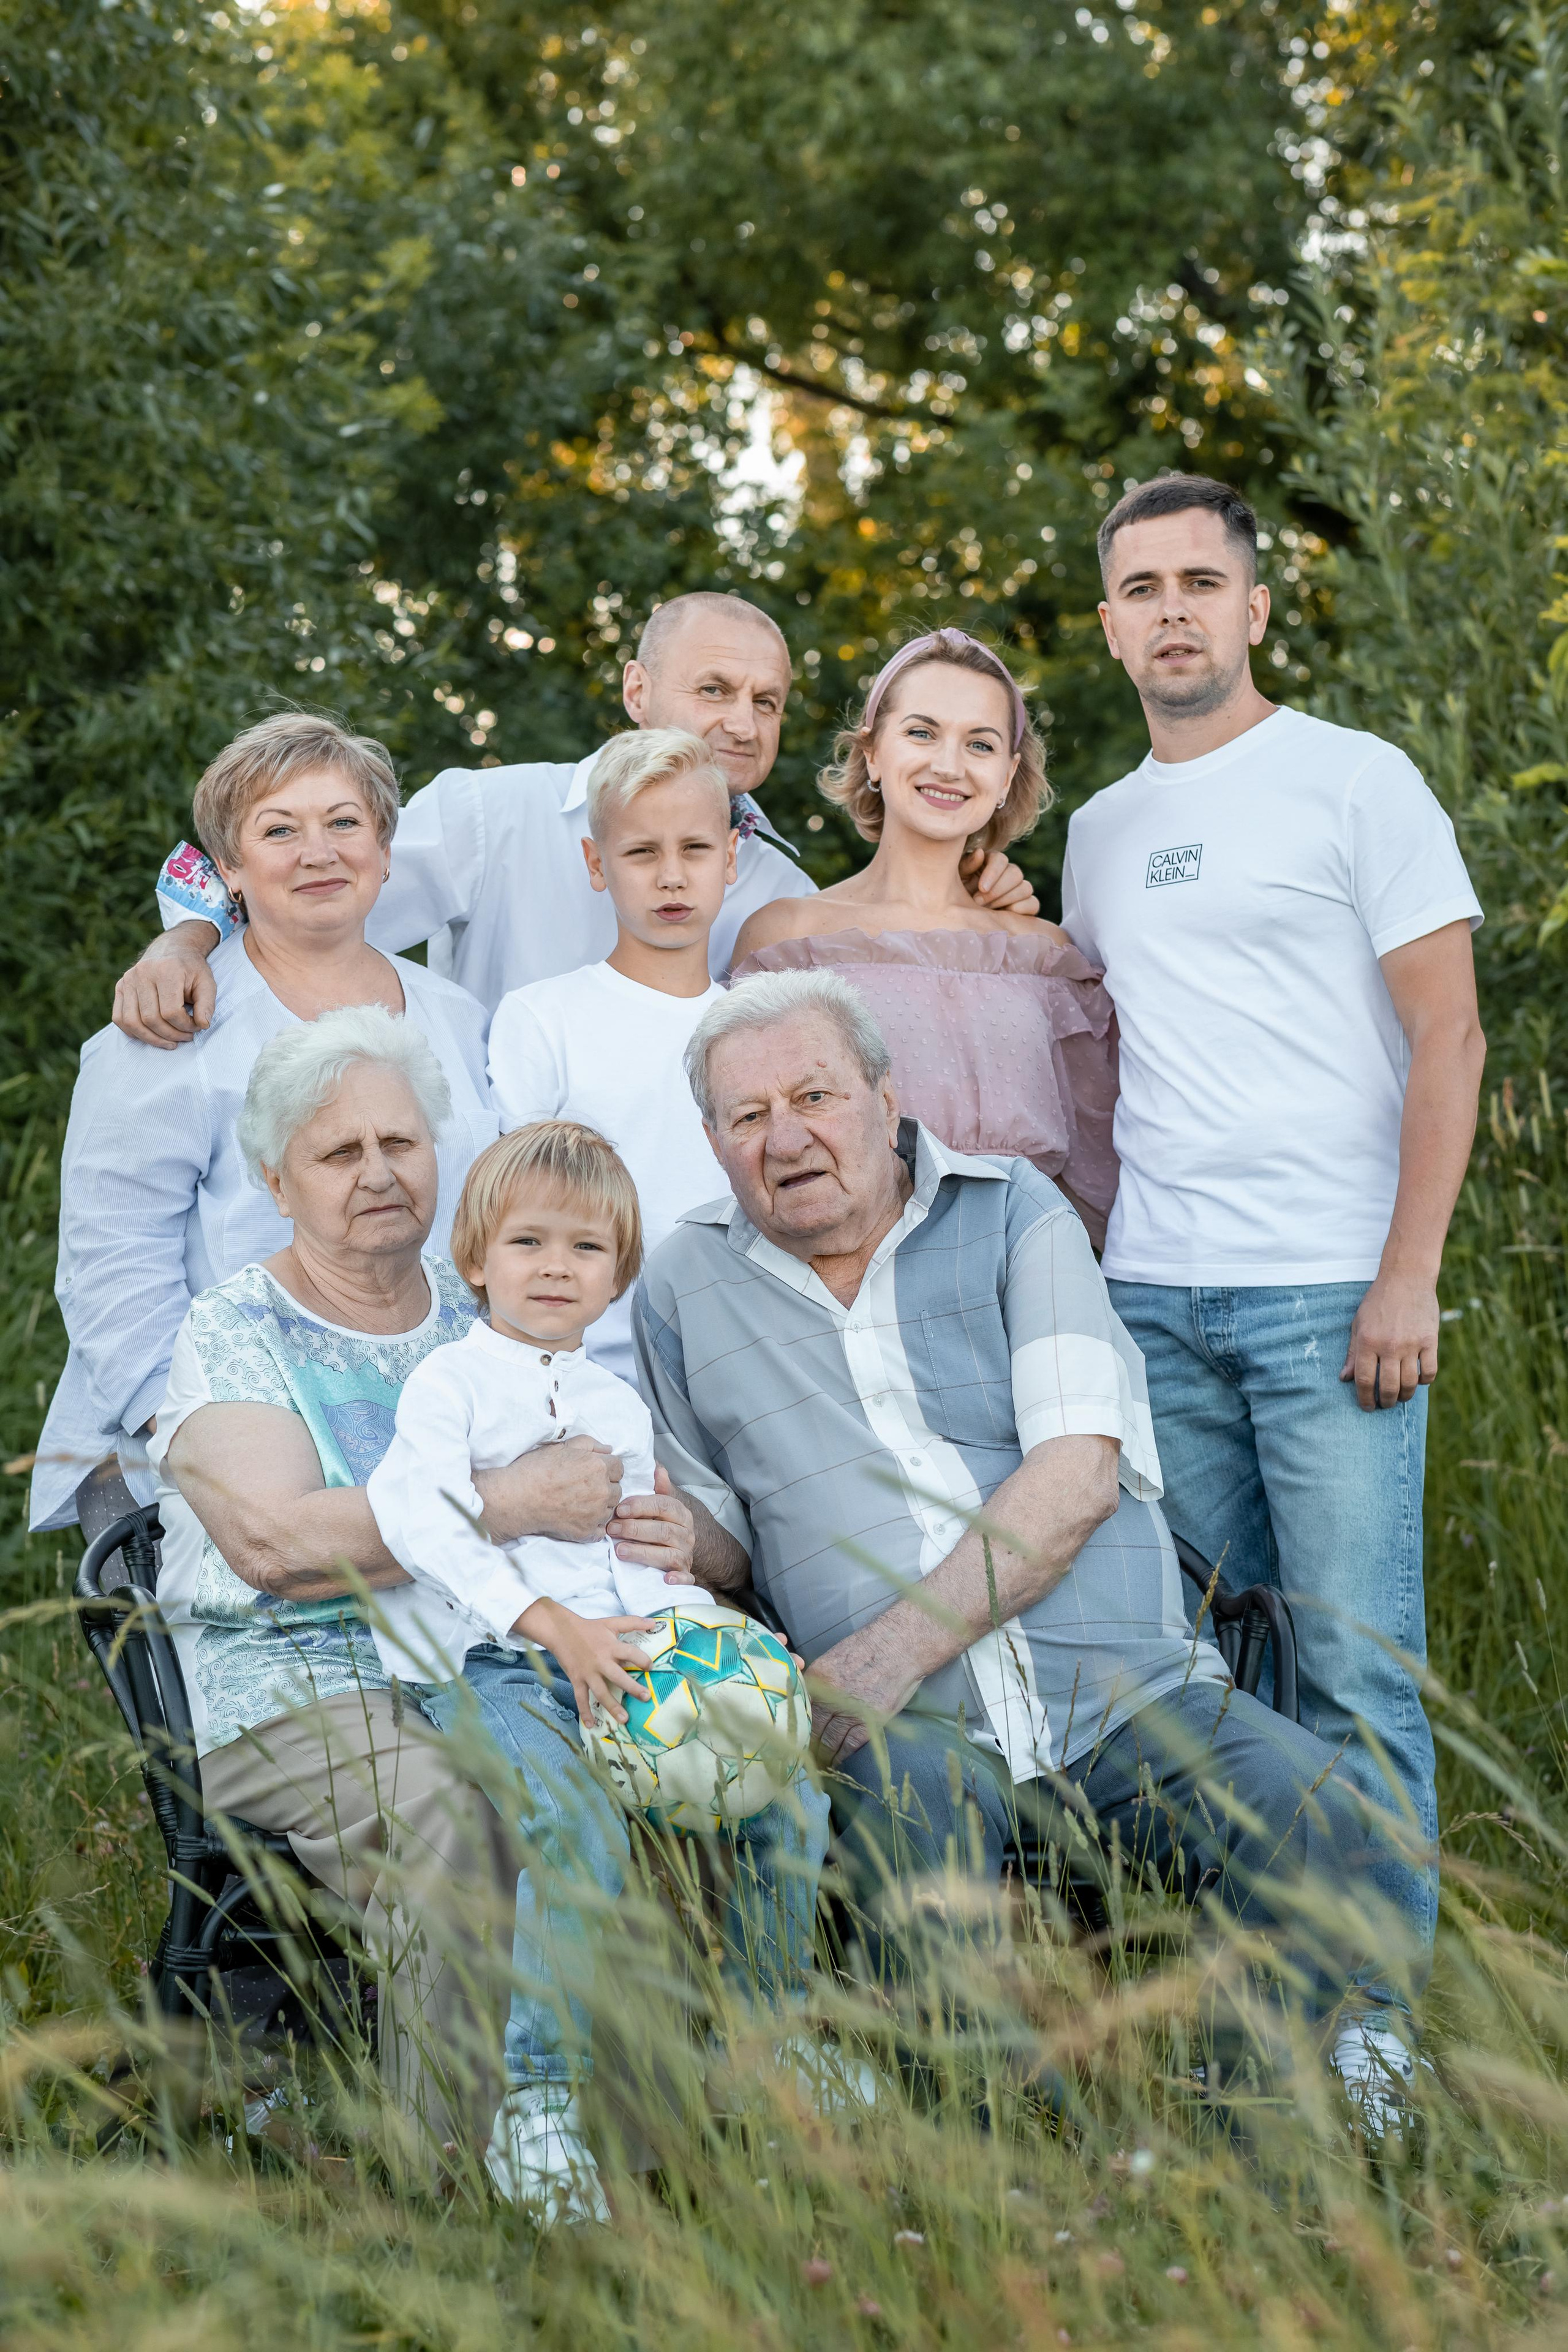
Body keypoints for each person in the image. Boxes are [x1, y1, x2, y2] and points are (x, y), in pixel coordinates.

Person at [631, 968, 1414, 2102]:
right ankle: (1003, 2183)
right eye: (746, 1117)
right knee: (916, 1837)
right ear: (711, 1141)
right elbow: (730, 1553)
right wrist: (655, 1528)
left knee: (1316, 1815)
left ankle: (1249, 2128)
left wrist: (883, 1660)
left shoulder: (1013, 1213)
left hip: (1122, 1693)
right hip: (915, 1739)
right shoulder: (682, 1287)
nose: (785, 1137)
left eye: (813, 1096)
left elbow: (1075, 1478)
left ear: (883, 1095)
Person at [153, 1011, 701, 2200]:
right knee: (448, 1813)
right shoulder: (233, 1330)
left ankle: (635, 2182)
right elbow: (276, 1545)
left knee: (642, 1786)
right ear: (274, 1180)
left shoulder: (489, 1319)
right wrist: (506, 1500)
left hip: (489, 1666)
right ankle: (454, 2192)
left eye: (399, 1141)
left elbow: (616, 1483)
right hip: (292, 1688)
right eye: (338, 1153)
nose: (378, 1172)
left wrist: (670, 1528)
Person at [1061, 473, 1487, 1969]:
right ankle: (1261, 2007)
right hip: (1154, 1301)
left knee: (1353, 1675)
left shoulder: (1353, 779)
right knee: (1217, 1673)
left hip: (1327, 1294)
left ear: (1250, 606)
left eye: (1195, 580)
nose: (1168, 608)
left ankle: (1366, 2025)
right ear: (1108, 627)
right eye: (1139, 587)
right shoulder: (1099, 832)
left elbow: (1448, 1038)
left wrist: (1406, 1274)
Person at [367, 1120, 829, 2213]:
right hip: (494, 1665)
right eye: (528, 1244)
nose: (554, 1269)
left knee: (788, 1797)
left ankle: (765, 2048)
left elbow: (638, 1564)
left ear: (617, 1275)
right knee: (579, 1830)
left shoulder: (617, 1404)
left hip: (623, 1655)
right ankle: (539, 2108)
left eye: (585, 1250)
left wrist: (709, 1657)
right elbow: (414, 1519)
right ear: (476, 1258)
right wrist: (545, 1624)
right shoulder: (451, 1386)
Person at [110, 594, 1041, 1049]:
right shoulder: (495, 811)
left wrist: (971, 887)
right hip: (481, 1193)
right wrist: (182, 948)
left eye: (768, 699)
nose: (741, 722)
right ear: (638, 690)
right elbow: (289, 890)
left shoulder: (780, 889)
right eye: (712, 689)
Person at [31, 711, 499, 1542]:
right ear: (230, 873)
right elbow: (111, 1264)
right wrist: (198, 1437)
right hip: (244, 1436)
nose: (319, 853)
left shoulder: (456, 1017)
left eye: (345, 824)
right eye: (280, 830)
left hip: (441, 1429)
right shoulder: (170, 1029)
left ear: (385, 853)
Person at [729, 628, 1117, 1246]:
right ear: (873, 752)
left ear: (1007, 775)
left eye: (980, 743)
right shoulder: (790, 938)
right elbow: (750, 1135)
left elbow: (1100, 1166)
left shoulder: (1045, 955)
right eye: (921, 732)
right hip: (853, 1274)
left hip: (1030, 1269)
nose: (948, 764)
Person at [486, 726, 737, 1381]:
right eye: (642, 852)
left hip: (739, 1363)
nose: (672, 876)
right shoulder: (542, 1018)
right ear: (597, 864)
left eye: (696, 849)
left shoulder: (755, 1030)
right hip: (586, 1371)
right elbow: (518, 1213)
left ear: (731, 859)